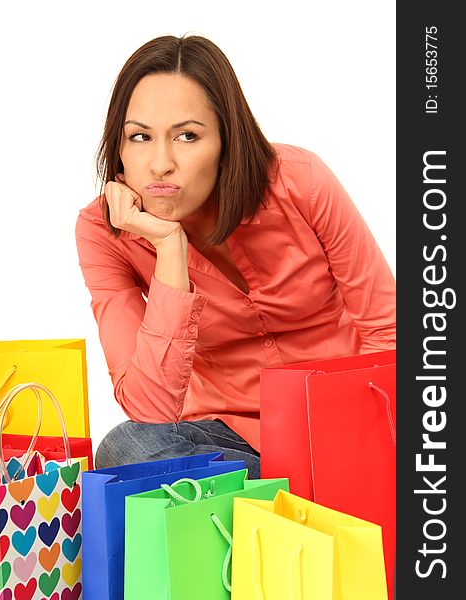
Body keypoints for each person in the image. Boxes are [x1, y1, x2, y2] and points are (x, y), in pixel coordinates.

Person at [75, 34, 396, 479]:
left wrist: (369, 433)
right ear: (119, 147)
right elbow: (150, 408)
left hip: (349, 419)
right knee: (128, 446)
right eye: (140, 136)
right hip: (236, 440)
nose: (161, 163)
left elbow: (388, 329)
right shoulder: (103, 231)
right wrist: (169, 247)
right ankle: (317, 493)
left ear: (227, 139)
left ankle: (291, 497)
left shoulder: (301, 182)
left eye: (187, 135)